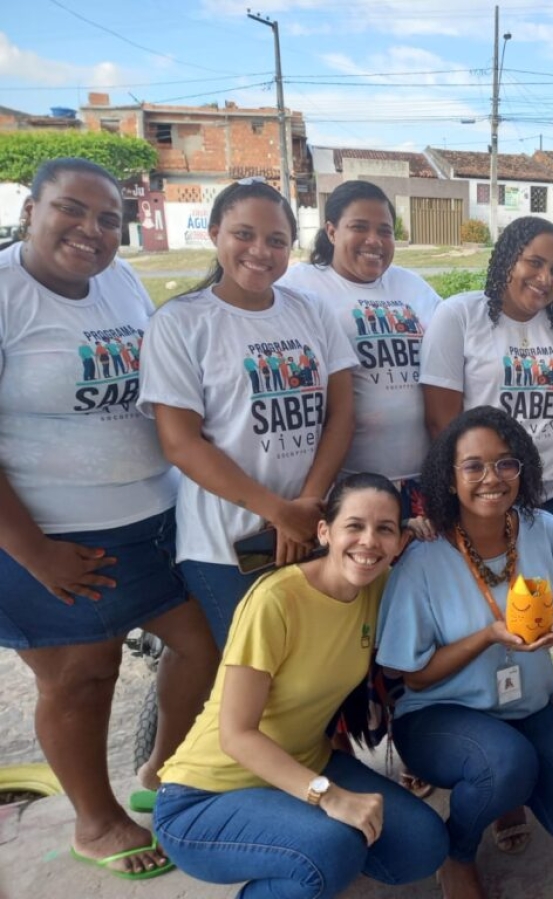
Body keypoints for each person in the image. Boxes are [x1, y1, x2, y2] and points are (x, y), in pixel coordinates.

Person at [0, 158, 219, 880]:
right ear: (31, 210)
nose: (90, 231)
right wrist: (35, 553)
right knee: (81, 676)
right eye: (71, 210)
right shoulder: (7, 293)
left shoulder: (120, 281)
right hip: (51, 534)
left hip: (152, 517)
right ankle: (95, 822)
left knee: (205, 645)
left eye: (106, 220)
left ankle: (159, 770)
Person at [153, 474, 448, 896]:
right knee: (330, 849)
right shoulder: (276, 600)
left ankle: (301, 860)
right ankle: (305, 862)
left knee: (423, 845)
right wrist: (327, 797)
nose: (368, 541)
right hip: (205, 796)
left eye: (384, 529)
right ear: (324, 532)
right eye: (354, 526)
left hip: (306, 763)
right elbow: (236, 735)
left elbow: (436, 610)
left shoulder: (380, 588)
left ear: (398, 541)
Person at [377, 406, 553, 899]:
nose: (493, 478)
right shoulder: (423, 557)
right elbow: (414, 678)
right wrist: (487, 636)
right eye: (474, 466)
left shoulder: (544, 529)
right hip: (440, 713)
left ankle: (503, 790)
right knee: (504, 763)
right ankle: (458, 850)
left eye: (506, 463)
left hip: (525, 708)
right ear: (449, 478)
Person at [138, 179, 358, 648]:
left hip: (310, 526)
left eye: (276, 240)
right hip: (228, 546)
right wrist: (277, 512)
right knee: (256, 684)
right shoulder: (180, 322)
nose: (261, 251)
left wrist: (307, 505)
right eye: (244, 234)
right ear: (215, 232)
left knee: (313, 671)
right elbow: (180, 443)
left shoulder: (311, 312)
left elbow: (340, 415)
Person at [420, 216, 553, 558]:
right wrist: (465, 492)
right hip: (489, 491)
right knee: (495, 595)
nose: (544, 278)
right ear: (508, 258)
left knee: (549, 597)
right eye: (534, 263)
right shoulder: (459, 316)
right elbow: (440, 423)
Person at [279, 180, 442, 520]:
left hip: (422, 479)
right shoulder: (300, 286)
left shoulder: (410, 285)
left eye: (385, 230)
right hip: (349, 484)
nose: (374, 241)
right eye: (359, 227)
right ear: (332, 231)